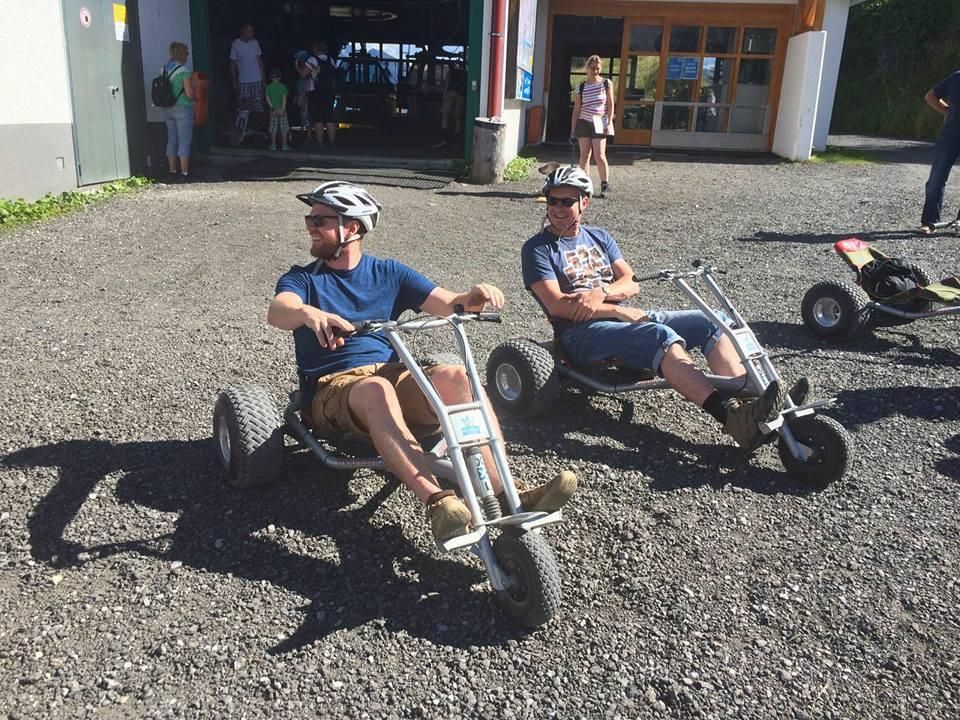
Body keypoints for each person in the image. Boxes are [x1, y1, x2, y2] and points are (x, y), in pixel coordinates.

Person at [268, 181, 577, 543]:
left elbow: (448, 304)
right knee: (376, 389)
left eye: (319, 220)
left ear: (351, 227)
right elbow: (279, 310)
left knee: (457, 376)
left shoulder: (388, 272)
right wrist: (308, 313)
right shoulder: (303, 279)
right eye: (310, 219)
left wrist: (474, 297)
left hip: (389, 375)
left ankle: (508, 491)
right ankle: (439, 502)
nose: (310, 226)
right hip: (333, 388)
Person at [522, 166, 808, 453]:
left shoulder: (599, 237)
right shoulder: (537, 249)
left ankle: (750, 403)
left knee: (713, 320)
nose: (557, 208)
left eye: (567, 201)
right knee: (659, 335)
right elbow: (557, 305)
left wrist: (603, 293)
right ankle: (731, 418)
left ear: (585, 202)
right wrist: (618, 312)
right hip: (580, 334)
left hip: (622, 320)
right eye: (553, 200)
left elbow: (631, 282)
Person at [920, 69, 960, 234]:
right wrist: (947, 112)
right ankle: (930, 222)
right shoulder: (957, 77)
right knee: (936, 180)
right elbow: (930, 96)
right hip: (949, 136)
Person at [570, 55, 614, 198]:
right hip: (583, 122)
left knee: (599, 154)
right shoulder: (581, 87)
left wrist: (609, 122)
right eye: (592, 68)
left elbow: (610, 104)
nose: (595, 71)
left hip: (600, 122)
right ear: (587, 68)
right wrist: (573, 129)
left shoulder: (606, 84)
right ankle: (584, 185)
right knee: (585, 155)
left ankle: (604, 184)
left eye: (597, 68)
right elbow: (576, 109)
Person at [161, 42, 195, 182]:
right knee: (184, 139)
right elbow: (189, 93)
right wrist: (195, 99)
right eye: (186, 53)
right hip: (183, 108)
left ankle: (172, 171)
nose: (187, 56)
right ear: (181, 54)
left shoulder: (164, 69)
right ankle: (184, 173)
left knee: (171, 139)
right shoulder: (184, 70)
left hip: (167, 108)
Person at [298, 41, 339, 148]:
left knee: (318, 118)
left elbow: (303, 75)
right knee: (329, 117)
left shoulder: (312, 60)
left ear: (315, 49)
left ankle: (320, 142)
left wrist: (297, 67)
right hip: (329, 92)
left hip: (315, 92)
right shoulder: (330, 60)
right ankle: (332, 142)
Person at [229, 22, 265, 115]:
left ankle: (256, 123)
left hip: (257, 79)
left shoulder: (255, 43)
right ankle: (245, 124)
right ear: (244, 31)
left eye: (252, 31)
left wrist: (263, 79)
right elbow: (233, 64)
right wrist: (234, 82)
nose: (252, 33)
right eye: (250, 31)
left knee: (258, 107)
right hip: (243, 80)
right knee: (244, 108)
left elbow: (260, 61)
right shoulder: (235, 44)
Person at [434, 60, 467, 147]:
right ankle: (456, 140)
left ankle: (444, 138)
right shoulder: (465, 73)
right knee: (458, 118)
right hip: (461, 95)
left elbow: (447, 84)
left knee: (445, 115)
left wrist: (444, 95)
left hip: (451, 93)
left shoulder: (451, 72)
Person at [265, 67, 290, 151]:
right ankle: (284, 145)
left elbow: (267, 98)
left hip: (273, 110)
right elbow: (284, 98)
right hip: (282, 109)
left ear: (270, 77)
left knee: (273, 128)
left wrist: (272, 108)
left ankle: (273, 145)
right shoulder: (283, 87)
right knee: (284, 128)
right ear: (280, 77)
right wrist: (282, 109)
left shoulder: (268, 87)